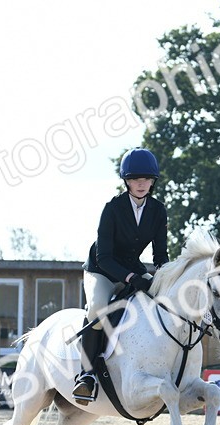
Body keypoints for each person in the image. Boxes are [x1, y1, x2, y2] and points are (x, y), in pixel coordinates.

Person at [73, 147, 169, 404]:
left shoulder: (158, 210)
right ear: (126, 181)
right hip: (101, 269)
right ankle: (87, 375)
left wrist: (165, 278)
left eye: (146, 179)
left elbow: (161, 256)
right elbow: (104, 256)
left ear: (153, 181)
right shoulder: (112, 208)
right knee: (97, 308)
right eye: (135, 179)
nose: (141, 183)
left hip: (132, 268)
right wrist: (129, 278)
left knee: (163, 301)